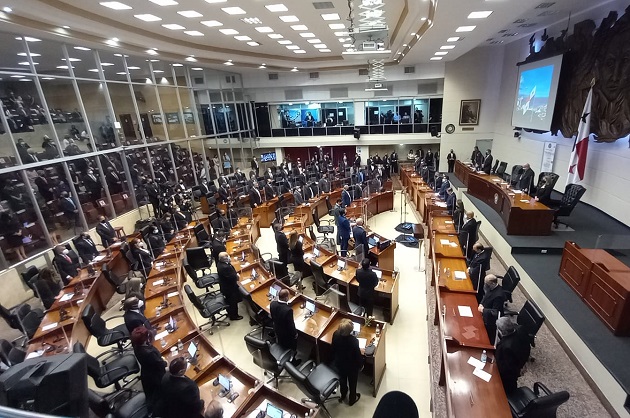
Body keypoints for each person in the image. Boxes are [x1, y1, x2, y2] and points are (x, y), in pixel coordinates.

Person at [130, 326, 167, 413]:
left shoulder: (136, 346)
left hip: (147, 373)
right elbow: (161, 365)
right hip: (156, 376)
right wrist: (165, 361)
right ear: (145, 339)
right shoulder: (149, 353)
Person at [495, 316, 531, 394]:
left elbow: (503, 368)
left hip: (509, 375)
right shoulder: (521, 329)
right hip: (522, 359)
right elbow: (528, 346)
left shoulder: (504, 347)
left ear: (502, 332)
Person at [331, 319, 363, 406]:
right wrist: (361, 365)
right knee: (353, 382)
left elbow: (333, 348)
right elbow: (357, 355)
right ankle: (352, 399)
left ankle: (343, 394)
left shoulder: (335, 334)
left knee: (342, 380)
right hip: (351, 367)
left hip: (339, 364)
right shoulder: (354, 341)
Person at [477, 274, 505, 344]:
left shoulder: (499, 295)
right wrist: (481, 303)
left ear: (492, 283)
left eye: (486, 284)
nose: (485, 285)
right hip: (485, 310)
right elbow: (486, 296)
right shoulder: (491, 288)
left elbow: (495, 312)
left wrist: (483, 310)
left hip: (491, 320)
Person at [216, 252, 243, 320]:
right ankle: (234, 316)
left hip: (225, 286)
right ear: (224, 258)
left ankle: (230, 313)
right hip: (229, 288)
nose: (229, 257)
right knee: (233, 302)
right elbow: (233, 277)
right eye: (227, 256)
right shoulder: (225, 267)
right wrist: (237, 276)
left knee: (229, 301)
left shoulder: (220, 263)